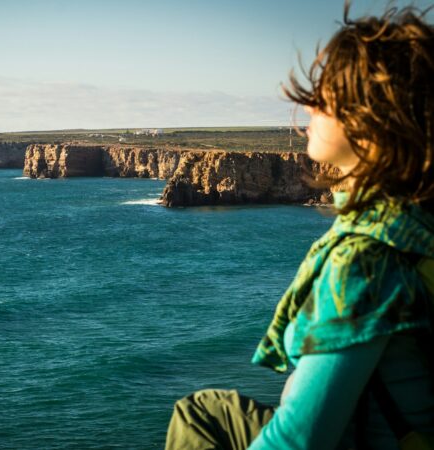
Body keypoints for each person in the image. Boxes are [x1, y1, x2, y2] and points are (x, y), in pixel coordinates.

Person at [165, 3, 434, 449]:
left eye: (325, 96)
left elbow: (298, 440)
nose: (305, 105)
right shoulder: (417, 225)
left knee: (198, 421)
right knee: (204, 410)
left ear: (370, 122)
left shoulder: (364, 262)